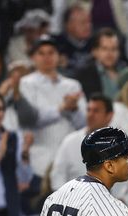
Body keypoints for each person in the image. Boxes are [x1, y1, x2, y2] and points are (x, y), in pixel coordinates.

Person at [51, 93, 128, 209]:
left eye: (96, 111)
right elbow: (57, 177)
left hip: (114, 210)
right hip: (76, 208)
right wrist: (70, 201)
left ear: (109, 115)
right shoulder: (69, 142)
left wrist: (124, 202)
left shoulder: (123, 144)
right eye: (89, 110)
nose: (90, 115)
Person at [20, 35, 86, 180]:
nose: (46, 57)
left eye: (51, 52)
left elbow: (84, 126)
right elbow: (31, 119)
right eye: (41, 53)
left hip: (70, 162)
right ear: (33, 58)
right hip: (39, 162)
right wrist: (62, 108)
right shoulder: (25, 84)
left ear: (58, 56)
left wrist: (74, 110)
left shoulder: (72, 85)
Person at [74, 28, 125, 100]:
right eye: (104, 49)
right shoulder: (85, 74)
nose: (110, 54)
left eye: (114, 49)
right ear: (94, 52)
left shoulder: (125, 70)